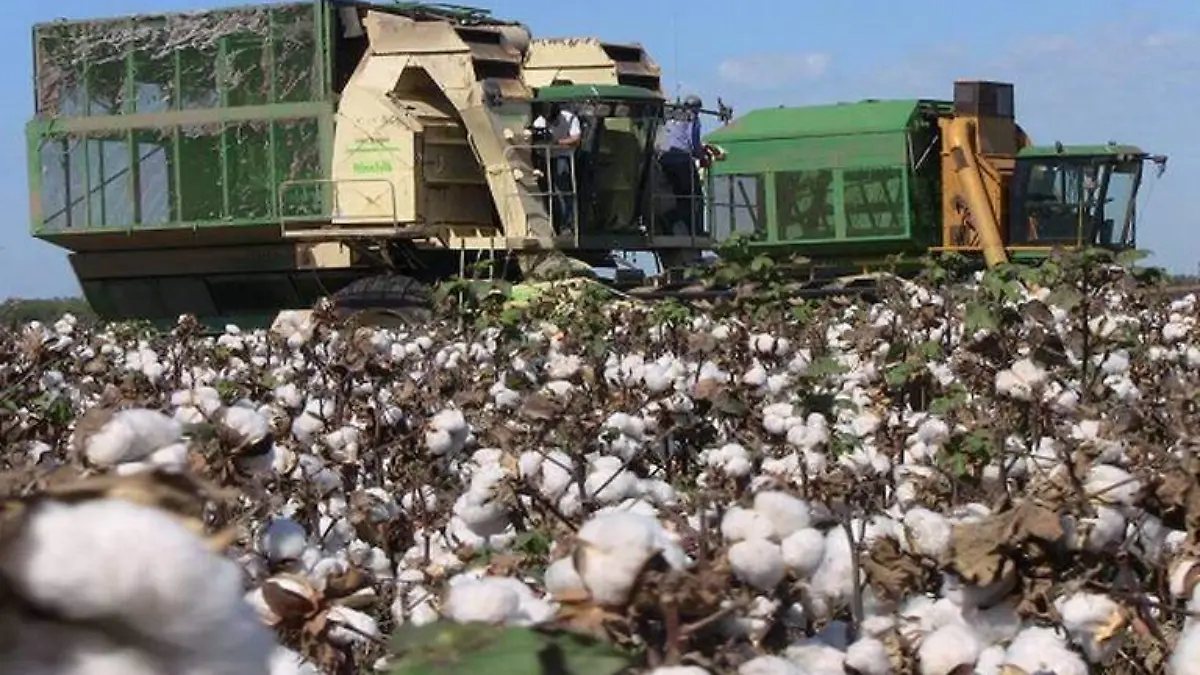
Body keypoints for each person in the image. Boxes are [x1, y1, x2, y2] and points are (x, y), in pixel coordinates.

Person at [655, 94, 705, 235]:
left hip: (664, 160)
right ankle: (695, 229)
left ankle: (670, 221)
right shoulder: (692, 117)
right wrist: (702, 156)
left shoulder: (669, 117)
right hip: (682, 160)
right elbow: (693, 142)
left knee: (677, 195)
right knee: (695, 197)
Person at [531, 103, 582, 234]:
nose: (551, 123)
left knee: (563, 191)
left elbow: (576, 139)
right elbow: (535, 141)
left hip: (563, 156)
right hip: (544, 157)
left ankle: (567, 225)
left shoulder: (570, 118)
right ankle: (547, 224)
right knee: (544, 190)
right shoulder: (539, 122)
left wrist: (557, 142)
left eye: (553, 121)